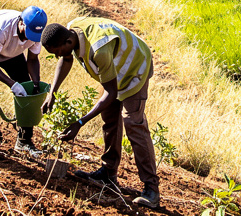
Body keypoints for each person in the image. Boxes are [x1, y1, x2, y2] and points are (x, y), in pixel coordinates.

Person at [40, 17, 159, 208]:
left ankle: (151, 189)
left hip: (135, 67)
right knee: (110, 116)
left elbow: (111, 93)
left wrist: (79, 123)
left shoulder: (98, 50)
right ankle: (108, 173)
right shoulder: (71, 29)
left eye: (58, 51)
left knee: (132, 122)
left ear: (68, 42)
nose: (57, 56)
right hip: (114, 68)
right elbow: (66, 58)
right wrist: (51, 93)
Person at [0, 6, 48, 154]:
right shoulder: (3, 28)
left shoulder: (35, 33)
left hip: (11, 52)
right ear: (21, 23)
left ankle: (24, 141)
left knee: (28, 90)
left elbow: (33, 59)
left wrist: (35, 84)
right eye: (28, 33)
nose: (29, 39)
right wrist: (12, 84)